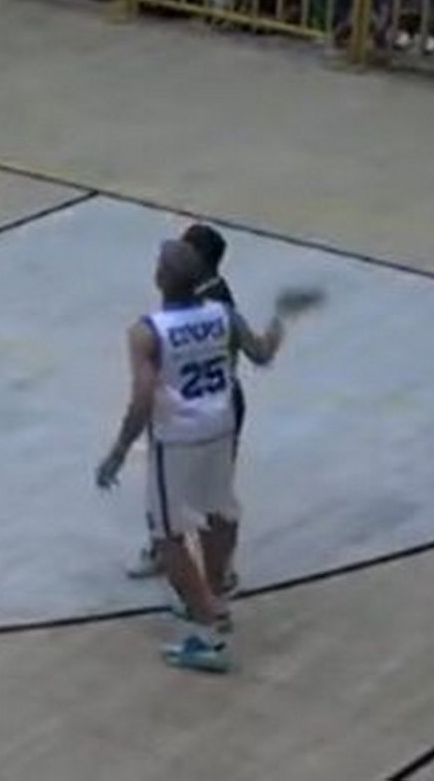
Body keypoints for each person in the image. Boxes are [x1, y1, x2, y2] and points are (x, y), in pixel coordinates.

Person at [96, 238, 283, 674]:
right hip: (221, 426)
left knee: (169, 539)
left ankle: (206, 632)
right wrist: (281, 319)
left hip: (178, 438)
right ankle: (216, 597)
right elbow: (261, 353)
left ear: (160, 278)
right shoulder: (223, 314)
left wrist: (118, 452)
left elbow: (143, 398)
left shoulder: (147, 331)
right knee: (219, 514)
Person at [127, 224, 248, 581]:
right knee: (205, 489)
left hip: (199, 404)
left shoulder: (212, 303)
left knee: (199, 491)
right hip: (212, 401)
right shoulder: (204, 296)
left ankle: (202, 567)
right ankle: (192, 560)